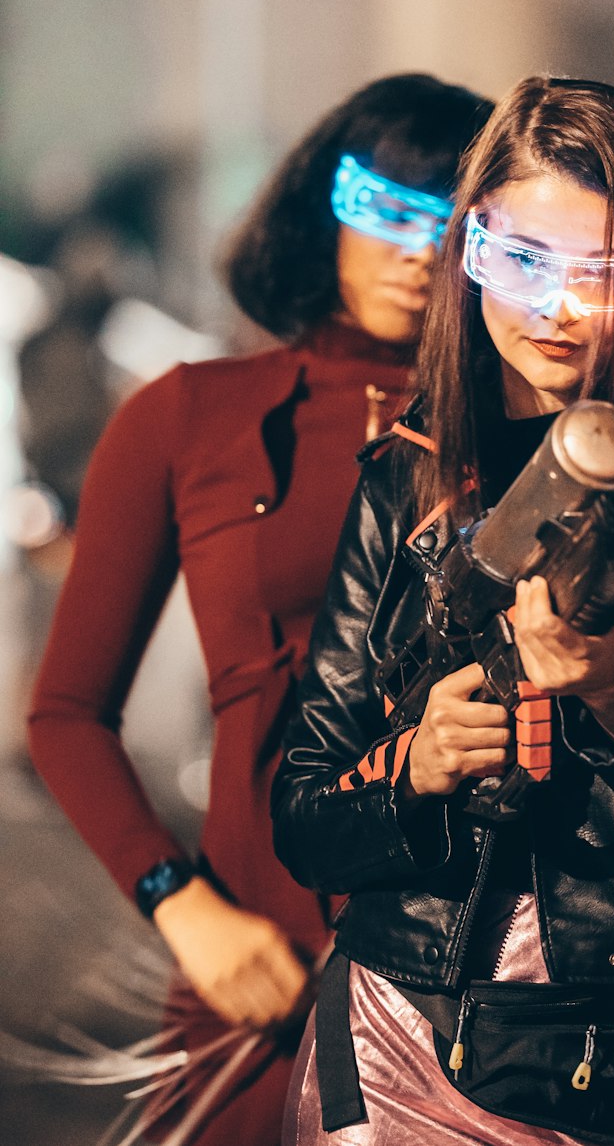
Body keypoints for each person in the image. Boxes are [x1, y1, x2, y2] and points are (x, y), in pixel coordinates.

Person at [271, 75, 614, 1146]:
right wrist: (417, 763)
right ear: (469, 250)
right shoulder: (410, 470)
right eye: (521, 261)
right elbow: (305, 812)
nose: (557, 309)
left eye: (602, 273)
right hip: (399, 1024)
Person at [26, 72, 493, 1146]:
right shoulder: (191, 415)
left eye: (453, 219)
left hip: (480, 983)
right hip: (259, 974)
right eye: (386, 207)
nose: (416, 247)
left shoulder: (523, 429)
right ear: (322, 206)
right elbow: (65, 713)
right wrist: (180, 905)